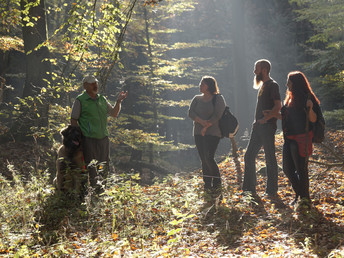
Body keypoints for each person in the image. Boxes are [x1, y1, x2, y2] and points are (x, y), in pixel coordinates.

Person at [71, 74, 128, 192]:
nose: (95, 85)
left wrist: (118, 101)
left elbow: (114, 113)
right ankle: (94, 193)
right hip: (88, 139)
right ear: (85, 86)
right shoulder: (80, 100)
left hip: (103, 138)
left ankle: (102, 192)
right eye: (92, 83)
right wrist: (78, 136)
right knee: (92, 167)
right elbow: (73, 119)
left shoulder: (102, 99)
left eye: (96, 83)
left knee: (104, 166)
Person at [242, 59, 282, 196]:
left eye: (256, 68)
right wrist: (257, 121)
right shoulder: (263, 86)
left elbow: (278, 106)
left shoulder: (273, 85)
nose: (254, 71)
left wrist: (266, 119)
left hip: (267, 127)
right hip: (258, 127)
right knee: (248, 156)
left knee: (270, 158)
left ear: (264, 69)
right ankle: (249, 189)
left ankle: (272, 190)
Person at [280, 71, 319, 206]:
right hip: (288, 138)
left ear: (295, 83)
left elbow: (314, 119)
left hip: (301, 139)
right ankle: (300, 195)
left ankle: (304, 199)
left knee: (301, 169)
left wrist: (310, 108)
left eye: (289, 82)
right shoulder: (289, 98)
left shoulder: (307, 98)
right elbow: (288, 116)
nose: (287, 84)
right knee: (287, 169)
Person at [188, 76, 226, 201]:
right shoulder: (196, 99)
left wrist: (207, 125)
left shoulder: (218, 98)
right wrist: (202, 122)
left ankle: (217, 186)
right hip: (198, 133)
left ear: (209, 86)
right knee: (203, 159)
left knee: (209, 157)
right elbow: (191, 113)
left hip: (213, 133)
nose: (200, 85)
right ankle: (207, 187)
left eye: (202, 84)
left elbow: (218, 114)